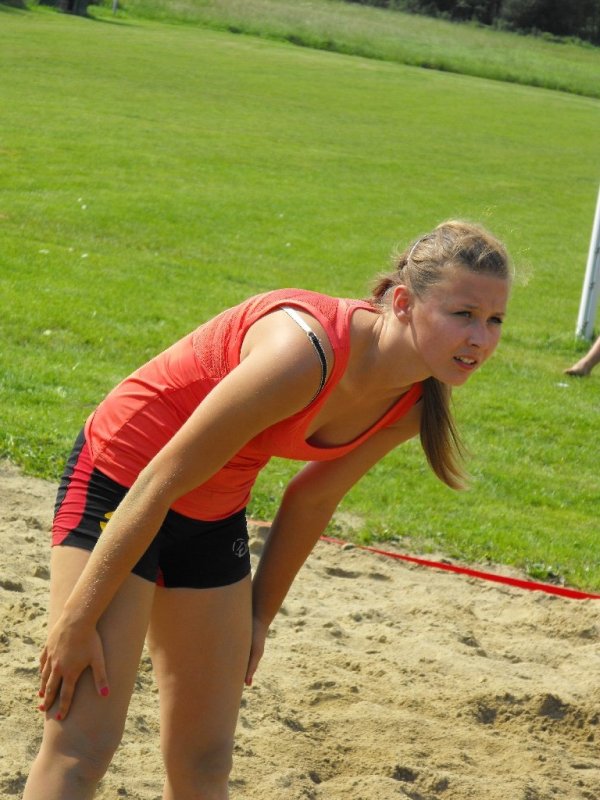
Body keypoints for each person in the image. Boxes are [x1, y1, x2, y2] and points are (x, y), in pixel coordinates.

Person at [23, 219, 511, 800]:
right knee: (84, 746)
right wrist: (78, 620)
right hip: (123, 482)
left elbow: (313, 497)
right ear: (403, 302)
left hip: (212, 507)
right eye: (463, 314)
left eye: (494, 320)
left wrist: (257, 615)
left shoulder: (417, 395)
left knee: (206, 760)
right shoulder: (303, 352)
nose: (480, 338)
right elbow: (160, 480)